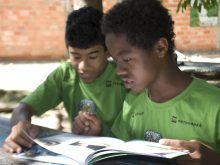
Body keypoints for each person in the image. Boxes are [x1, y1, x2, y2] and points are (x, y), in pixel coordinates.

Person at [100, 0, 220, 164]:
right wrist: (97, 133)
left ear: (160, 48)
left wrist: (214, 160)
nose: (119, 70)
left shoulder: (214, 104)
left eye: (127, 59)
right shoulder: (131, 103)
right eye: (115, 60)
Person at [3, 6, 126, 153]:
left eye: (93, 57)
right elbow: (24, 108)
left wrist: (101, 132)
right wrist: (20, 125)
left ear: (108, 51)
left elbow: (136, 134)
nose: (83, 66)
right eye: (76, 56)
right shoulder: (65, 75)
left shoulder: (124, 76)